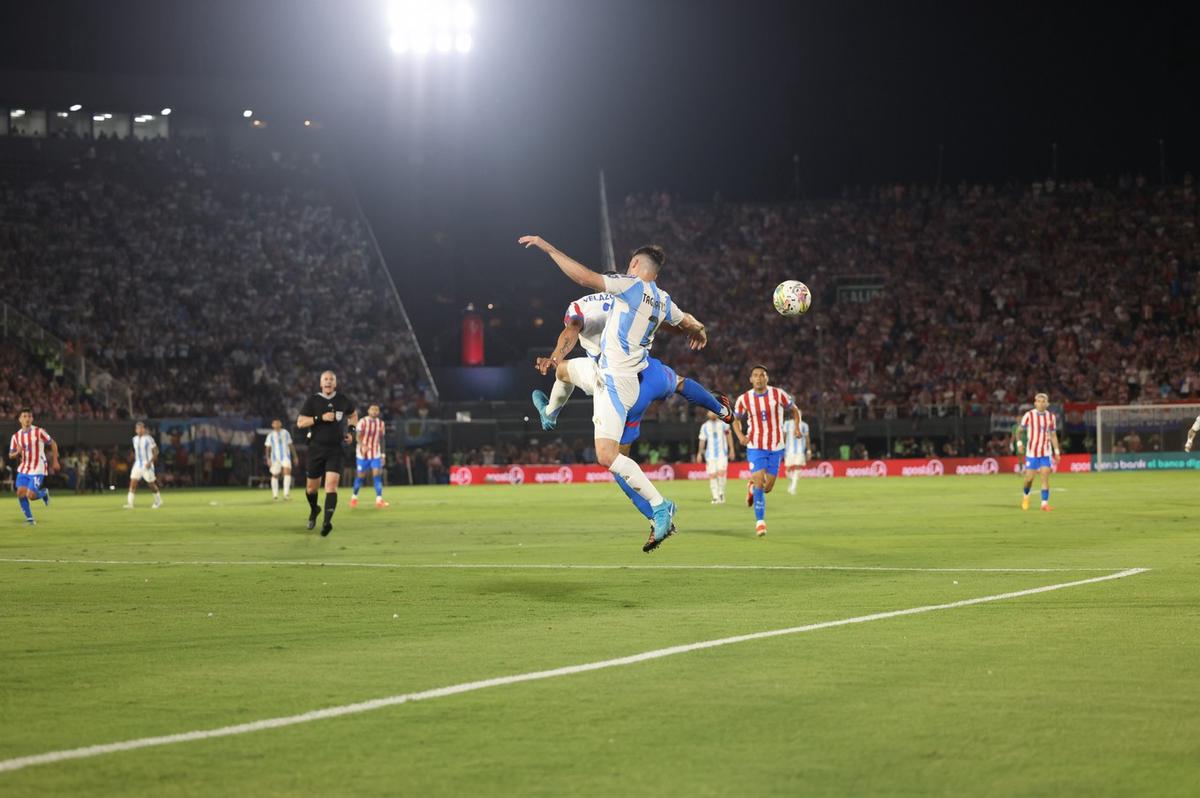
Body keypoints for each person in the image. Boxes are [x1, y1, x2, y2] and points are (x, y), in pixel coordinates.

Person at [521, 235, 711, 552]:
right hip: (627, 379)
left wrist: (549, 248)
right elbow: (684, 321)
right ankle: (549, 413)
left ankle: (661, 507)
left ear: (632, 268)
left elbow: (574, 319)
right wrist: (698, 329)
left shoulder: (621, 290)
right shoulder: (661, 299)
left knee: (608, 456)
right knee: (564, 371)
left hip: (608, 378)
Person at [531, 290, 735, 430]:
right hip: (640, 370)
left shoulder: (580, 306)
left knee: (562, 371)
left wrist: (555, 357)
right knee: (680, 382)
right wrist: (690, 329)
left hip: (605, 377)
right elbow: (666, 323)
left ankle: (549, 414)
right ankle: (721, 409)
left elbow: (572, 329)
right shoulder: (635, 301)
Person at [733, 366, 800, 537]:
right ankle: (760, 523)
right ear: (750, 379)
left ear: (767, 378)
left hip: (776, 446)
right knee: (759, 483)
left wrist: (797, 428)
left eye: (762, 375)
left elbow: (794, 410)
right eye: (755, 375)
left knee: (767, 487)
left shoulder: (778, 394)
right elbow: (735, 420)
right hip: (755, 445)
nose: (758, 378)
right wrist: (740, 435)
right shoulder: (744, 399)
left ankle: (752, 487)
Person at [297, 371, 358, 536]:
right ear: (321, 383)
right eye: (325, 379)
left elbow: (353, 415)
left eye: (331, 379)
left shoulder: (343, 400)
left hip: (336, 449)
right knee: (311, 489)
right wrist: (320, 418)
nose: (328, 382)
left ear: (335, 384)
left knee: (331, 485)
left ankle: (326, 522)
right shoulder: (313, 400)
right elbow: (300, 422)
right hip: (316, 449)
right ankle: (314, 509)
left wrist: (352, 432)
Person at [8, 409, 58, 525]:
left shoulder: (39, 432)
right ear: (20, 419)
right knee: (20, 492)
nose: (27, 418)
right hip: (24, 468)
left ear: (32, 418)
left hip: (38, 467)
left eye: (29, 416)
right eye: (24, 416)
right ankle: (30, 519)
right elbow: (11, 455)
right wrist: (17, 453)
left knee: (30, 495)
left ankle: (43, 493)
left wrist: (55, 460)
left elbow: (53, 443)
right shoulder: (15, 437)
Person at [1017, 393, 1060, 511]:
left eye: (1043, 401)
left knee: (1044, 477)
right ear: (1035, 403)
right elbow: (1019, 431)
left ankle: (1044, 504)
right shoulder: (1029, 415)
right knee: (1029, 479)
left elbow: (1053, 435)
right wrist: (1019, 444)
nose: (1041, 403)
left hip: (1046, 453)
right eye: (1039, 401)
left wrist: (1057, 451)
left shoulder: (1051, 417)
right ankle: (1026, 496)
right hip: (1032, 453)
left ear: (1047, 403)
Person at [351, 404, 389, 508]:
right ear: (368, 411)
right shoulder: (362, 422)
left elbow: (382, 440)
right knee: (360, 476)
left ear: (379, 412)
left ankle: (379, 500)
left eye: (376, 410)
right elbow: (357, 437)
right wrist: (363, 445)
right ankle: (354, 497)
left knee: (377, 475)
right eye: (372, 409)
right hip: (362, 454)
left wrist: (383, 455)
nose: (374, 411)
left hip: (375, 453)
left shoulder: (381, 423)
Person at [124, 421, 163, 509]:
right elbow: (136, 452)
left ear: (144, 429)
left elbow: (156, 451)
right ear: (136, 430)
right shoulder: (134, 439)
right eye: (138, 428)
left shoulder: (149, 439)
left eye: (141, 428)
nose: (139, 430)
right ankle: (130, 504)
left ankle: (158, 500)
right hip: (137, 463)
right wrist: (131, 457)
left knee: (151, 484)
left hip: (147, 463)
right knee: (133, 482)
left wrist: (150, 462)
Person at [697, 411, 734, 503]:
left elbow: (729, 436)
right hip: (710, 455)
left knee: (721, 473)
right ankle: (715, 496)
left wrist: (731, 449)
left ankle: (721, 493)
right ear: (707, 414)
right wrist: (699, 453)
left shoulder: (724, 424)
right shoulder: (705, 426)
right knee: (712, 475)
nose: (712, 414)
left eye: (713, 412)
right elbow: (702, 440)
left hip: (722, 453)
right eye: (710, 412)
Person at [264, 418, 298, 501]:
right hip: (275, 458)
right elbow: (267, 448)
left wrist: (295, 456)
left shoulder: (285, 433)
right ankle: (275, 495)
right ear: (272, 425)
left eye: (278, 423)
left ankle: (286, 494)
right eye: (275, 423)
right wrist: (268, 458)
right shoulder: (270, 435)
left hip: (285, 456)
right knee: (275, 475)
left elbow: (290, 445)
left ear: (280, 424)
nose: (276, 425)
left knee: (287, 473)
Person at [783, 414, 812, 495]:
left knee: (798, 467)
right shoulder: (787, 424)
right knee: (788, 469)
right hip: (789, 450)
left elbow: (807, 438)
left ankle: (793, 487)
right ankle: (792, 481)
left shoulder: (804, 425)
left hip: (800, 451)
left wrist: (809, 450)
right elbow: (784, 437)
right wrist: (782, 448)